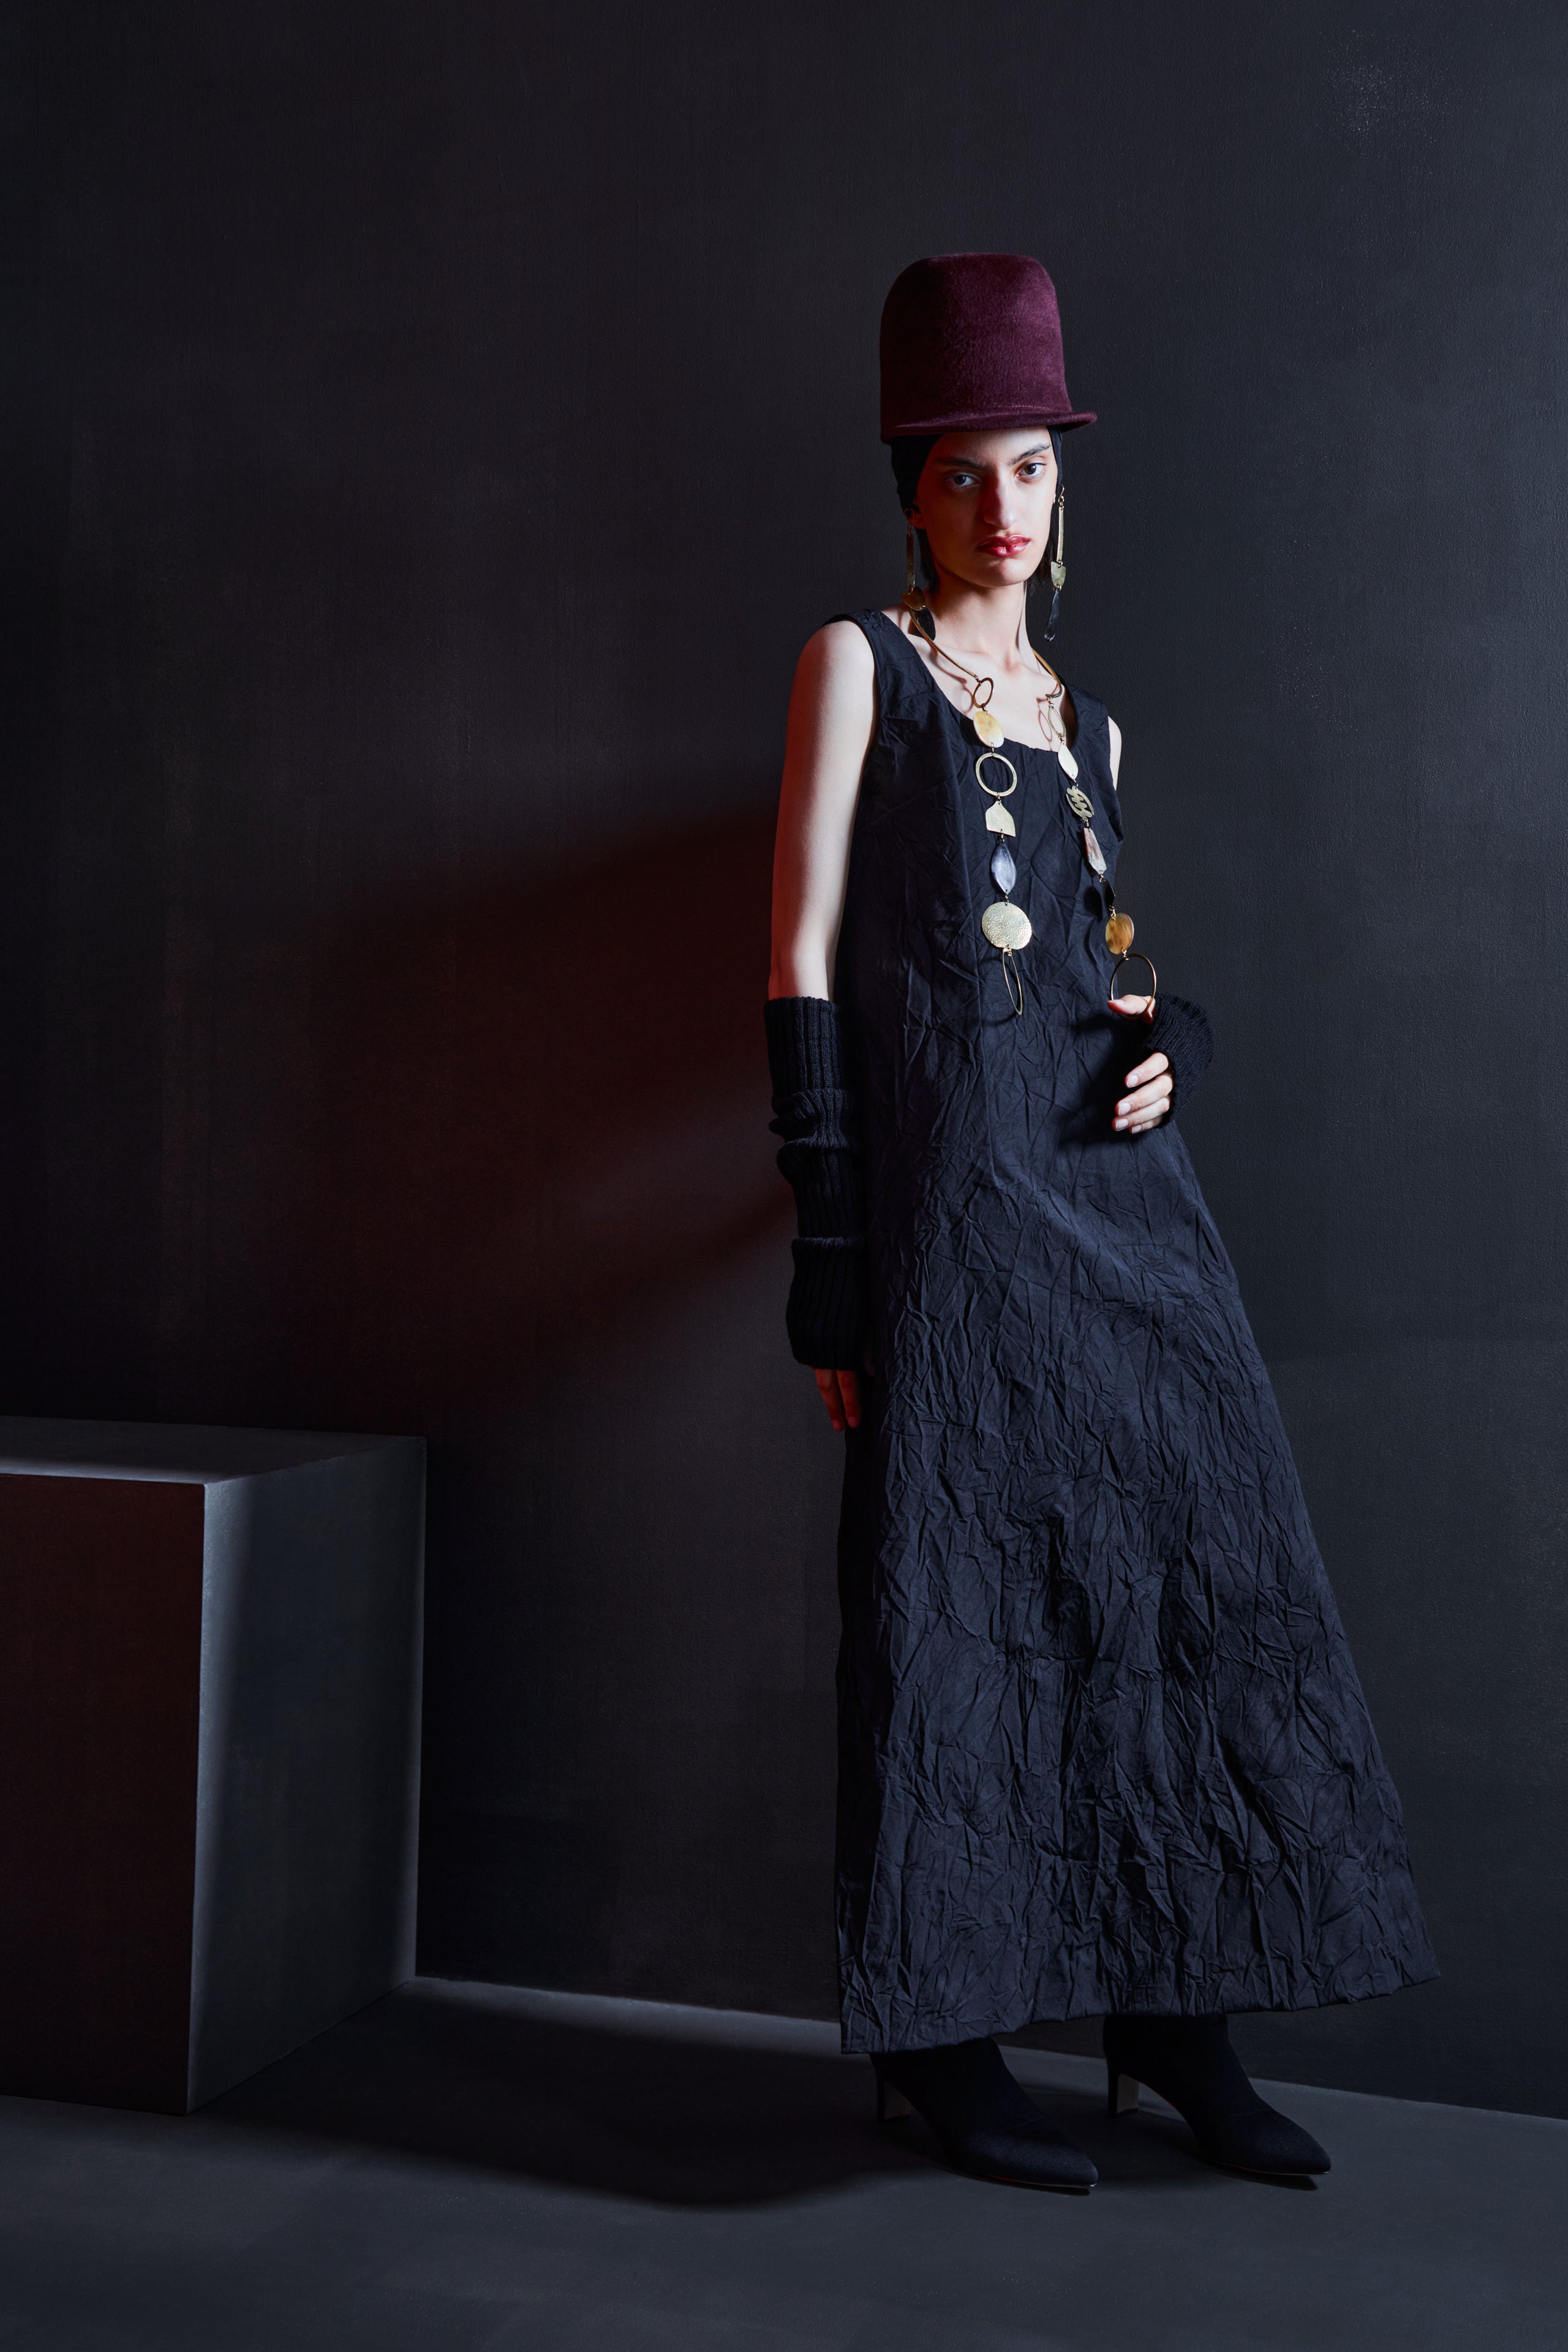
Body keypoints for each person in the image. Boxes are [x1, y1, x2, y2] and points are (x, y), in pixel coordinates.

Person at [764, 252, 1436, 2193]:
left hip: (1128, 1209)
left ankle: (1175, 2024)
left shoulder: (1091, 726)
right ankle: (940, 2045)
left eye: (1033, 467)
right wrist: (830, 1247)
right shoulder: (857, 666)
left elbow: (1105, 961)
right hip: (955, 1221)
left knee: (1180, 1581)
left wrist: (1175, 1039)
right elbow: (800, 958)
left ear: (1067, 484)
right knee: (954, 1609)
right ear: (912, 487)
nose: (1004, 505)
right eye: (963, 470)